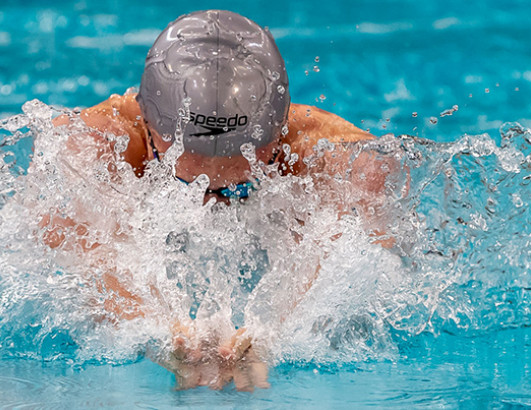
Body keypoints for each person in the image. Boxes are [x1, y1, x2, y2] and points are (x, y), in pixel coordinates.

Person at [37, 10, 391, 391]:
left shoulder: (334, 156)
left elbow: (361, 264)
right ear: (149, 128)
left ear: (279, 138)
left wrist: (270, 341)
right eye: (185, 185)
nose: (211, 206)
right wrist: (161, 336)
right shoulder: (93, 146)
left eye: (238, 188)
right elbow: (77, 254)